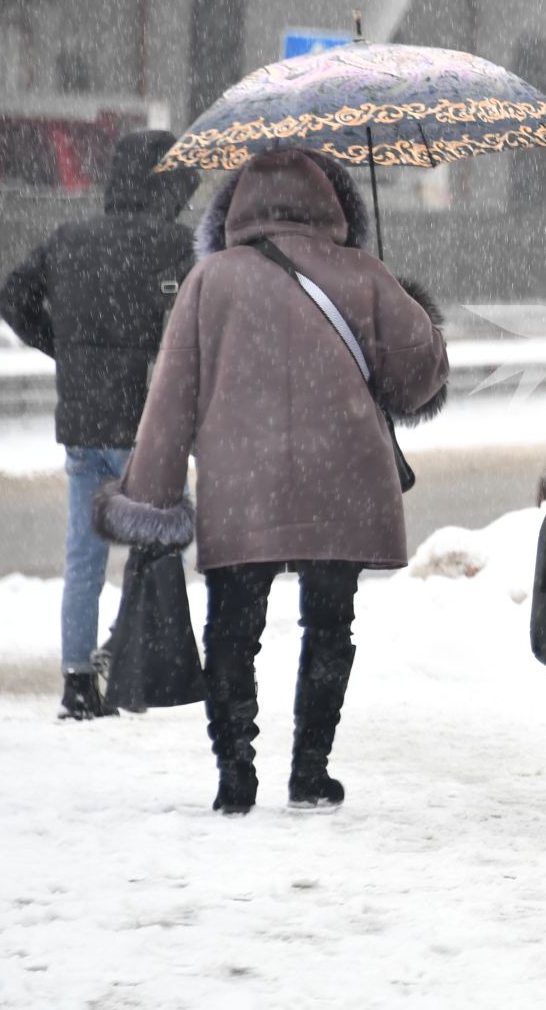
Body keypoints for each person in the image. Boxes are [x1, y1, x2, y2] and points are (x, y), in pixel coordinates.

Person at [93, 148, 448, 815]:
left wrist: (152, 498)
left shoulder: (211, 279)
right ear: (335, 203)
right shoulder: (363, 273)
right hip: (343, 477)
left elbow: (172, 397)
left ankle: (235, 771)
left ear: (237, 208)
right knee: (330, 623)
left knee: (233, 627)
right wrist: (410, 308)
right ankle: (311, 771)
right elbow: (417, 379)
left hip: (242, 480)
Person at [0, 129, 199, 720]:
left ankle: (77, 681)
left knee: (83, 557)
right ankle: (130, 651)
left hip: (83, 423)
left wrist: (63, 347)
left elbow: (12, 297)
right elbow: (199, 330)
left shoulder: (68, 238)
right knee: (159, 544)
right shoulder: (179, 247)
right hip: (148, 426)